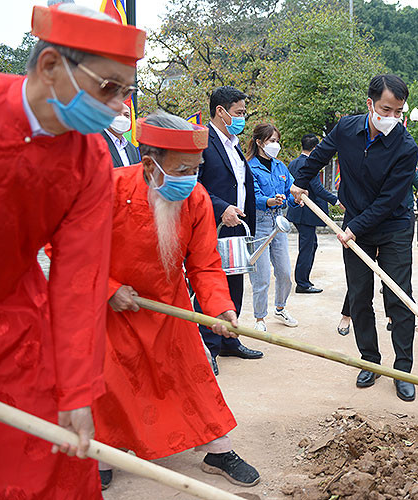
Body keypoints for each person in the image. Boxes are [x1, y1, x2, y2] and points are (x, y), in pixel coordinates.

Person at [0, 4, 144, 498]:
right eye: (108, 88)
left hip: (13, 320)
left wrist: (77, 391)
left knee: (41, 460)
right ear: (51, 66)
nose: (118, 106)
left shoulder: (90, 159)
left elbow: (79, 280)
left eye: (126, 91)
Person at [94, 112, 260, 489]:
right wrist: (108, 288)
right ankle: (102, 452)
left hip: (169, 305)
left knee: (192, 376)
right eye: (182, 169)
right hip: (112, 308)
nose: (191, 178)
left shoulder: (196, 199)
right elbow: (67, 248)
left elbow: (204, 264)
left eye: (196, 168)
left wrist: (221, 309)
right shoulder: (107, 188)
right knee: (109, 381)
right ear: (151, 164)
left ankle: (218, 450)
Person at [290, 74, 418, 402]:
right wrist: (300, 182)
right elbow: (316, 158)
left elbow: (389, 200)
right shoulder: (346, 128)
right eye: (385, 109)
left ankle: (402, 369)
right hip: (355, 224)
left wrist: (355, 227)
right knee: (359, 296)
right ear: (370, 104)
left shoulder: (405, 147)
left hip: (393, 226)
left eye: (398, 112)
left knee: (398, 297)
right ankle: (370, 361)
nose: (391, 118)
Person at [196, 86, 262, 375]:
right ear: (220, 112)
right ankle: (207, 346)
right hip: (212, 224)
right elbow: (194, 185)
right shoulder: (203, 141)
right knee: (210, 285)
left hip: (238, 226)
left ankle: (229, 340)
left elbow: (242, 185)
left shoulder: (234, 144)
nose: (242, 118)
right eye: (238, 113)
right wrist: (221, 206)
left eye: (244, 113)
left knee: (235, 283)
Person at [247, 123, 298, 332]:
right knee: (261, 276)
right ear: (259, 142)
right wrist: (270, 200)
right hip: (260, 225)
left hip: (279, 224)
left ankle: (280, 307)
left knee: (285, 272)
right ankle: (260, 318)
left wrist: (296, 198)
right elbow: (254, 197)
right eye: (271, 141)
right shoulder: (250, 167)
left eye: (277, 141)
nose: (275, 145)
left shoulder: (280, 166)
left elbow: (290, 190)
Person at [287, 133, 340, 294]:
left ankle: (304, 280)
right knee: (307, 248)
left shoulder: (293, 163)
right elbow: (317, 189)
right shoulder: (311, 164)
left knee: (311, 245)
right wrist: (336, 201)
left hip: (298, 212)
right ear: (316, 148)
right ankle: (302, 283)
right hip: (307, 212)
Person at [100, 101, 140, 167]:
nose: (122, 118)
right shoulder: (96, 142)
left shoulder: (132, 149)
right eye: (117, 114)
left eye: (126, 115)